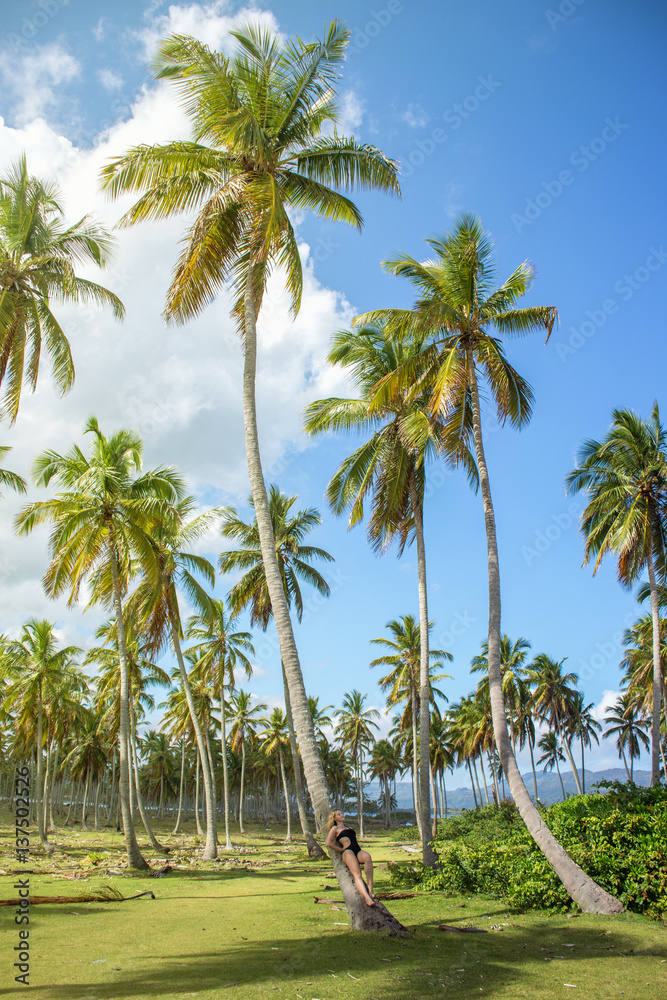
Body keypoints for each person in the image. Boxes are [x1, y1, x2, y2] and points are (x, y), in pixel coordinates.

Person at [325, 808, 376, 907]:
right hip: (348, 852)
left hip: (357, 850)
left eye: (341, 813)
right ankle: (367, 898)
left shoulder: (348, 828)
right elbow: (328, 843)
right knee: (357, 874)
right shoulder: (335, 829)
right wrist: (340, 850)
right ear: (334, 818)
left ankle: (370, 888)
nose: (342, 815)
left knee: (367, 858)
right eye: (339, 814)